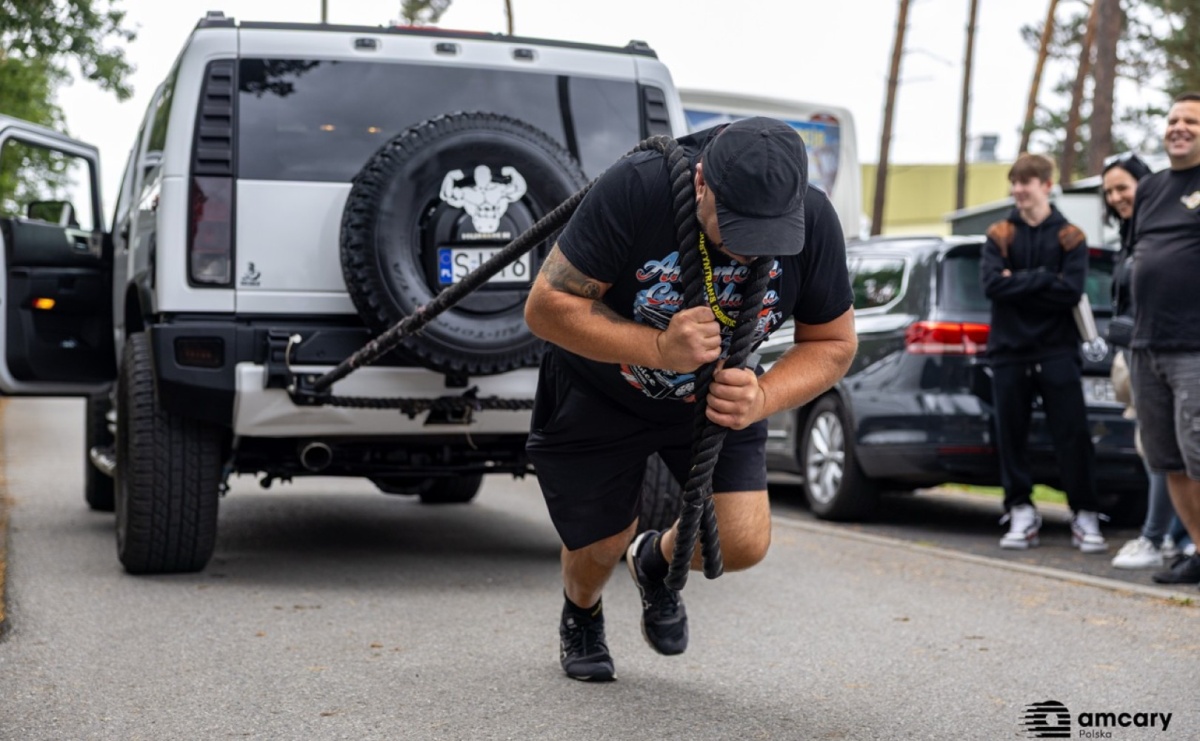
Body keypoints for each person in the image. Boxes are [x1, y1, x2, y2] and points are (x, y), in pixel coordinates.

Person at [523, 117, 857, 681]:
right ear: (702, 183)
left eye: (768, 238)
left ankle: (653, 562)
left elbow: (833, 343)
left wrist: (763, 396)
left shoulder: (815, 219)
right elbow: (545, 307)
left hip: (719, 399)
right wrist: (656, 346)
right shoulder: (638, 187)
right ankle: (581, 611)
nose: (751, 254)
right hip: (603, 390)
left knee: (744, 543)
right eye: (736, 232)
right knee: (601, 544)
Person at [980, 152, 1107, 553]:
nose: (1018, 190)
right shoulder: (999, 233)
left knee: (1072, 434)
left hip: (1057, 351)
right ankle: (1019, 509)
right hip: (1008, 352)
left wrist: (1017, 280)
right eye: (1015, 182)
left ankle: (1084, 513)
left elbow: (1071, 291)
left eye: (1026, 182)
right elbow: (991, 286)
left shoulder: (1071, 236)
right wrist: (1042, 280)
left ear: (1046, 185)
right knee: (1011, 434)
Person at [1101, 153, 1191, 570]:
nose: (1117, 197)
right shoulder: (1132, 235)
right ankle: (1176, 538)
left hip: (1181, 347)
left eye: (1123, 187)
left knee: (1184, 450)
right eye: (1110, 192)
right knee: (1158, 450)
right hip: (1139, 350)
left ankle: (1157, 536)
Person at [1126, 92, 1200, 587]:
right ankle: (1197, 546)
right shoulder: (1150, 189)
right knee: (1166, 457)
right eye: (1173, 119)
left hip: (1194, 346)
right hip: (1145, 345)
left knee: (1198, 454)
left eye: (1191, 121)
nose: (1179, 127)